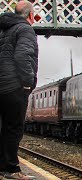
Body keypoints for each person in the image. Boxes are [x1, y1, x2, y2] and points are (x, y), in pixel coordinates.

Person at [0, 1, 38, 179]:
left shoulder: (3, 28)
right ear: (30, 15)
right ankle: (11, 169)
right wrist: (27, 83)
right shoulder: (25, 29)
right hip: (13, 86)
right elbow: (23, 56)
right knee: (13, 128)